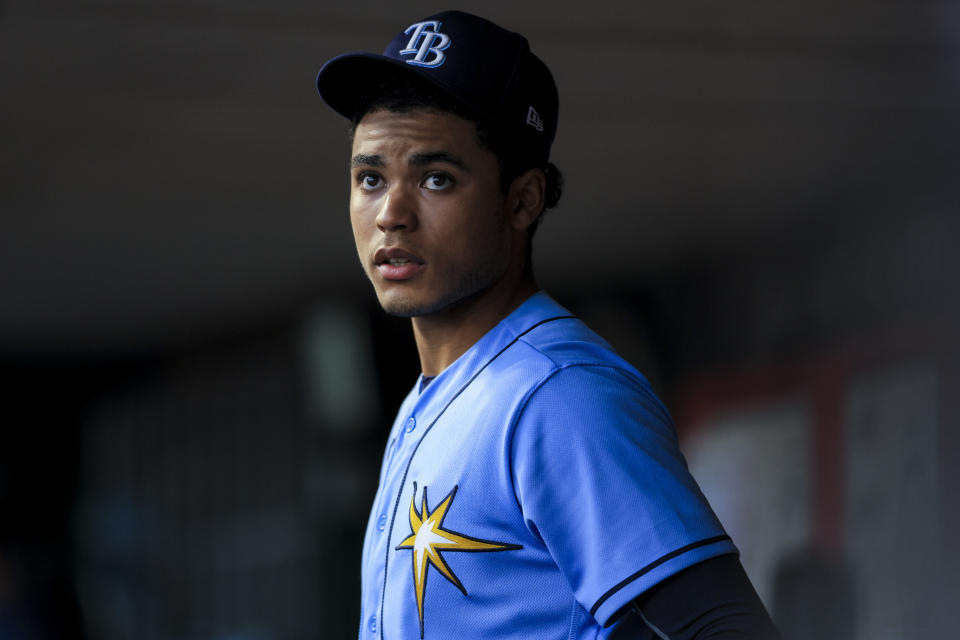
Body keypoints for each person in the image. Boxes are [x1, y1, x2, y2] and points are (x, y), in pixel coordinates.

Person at [316, 10, 780, 639]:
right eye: (370, 178)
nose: (391, 214)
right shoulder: (435, 398)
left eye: (436, 178)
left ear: (523, 200)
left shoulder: (557, 392)